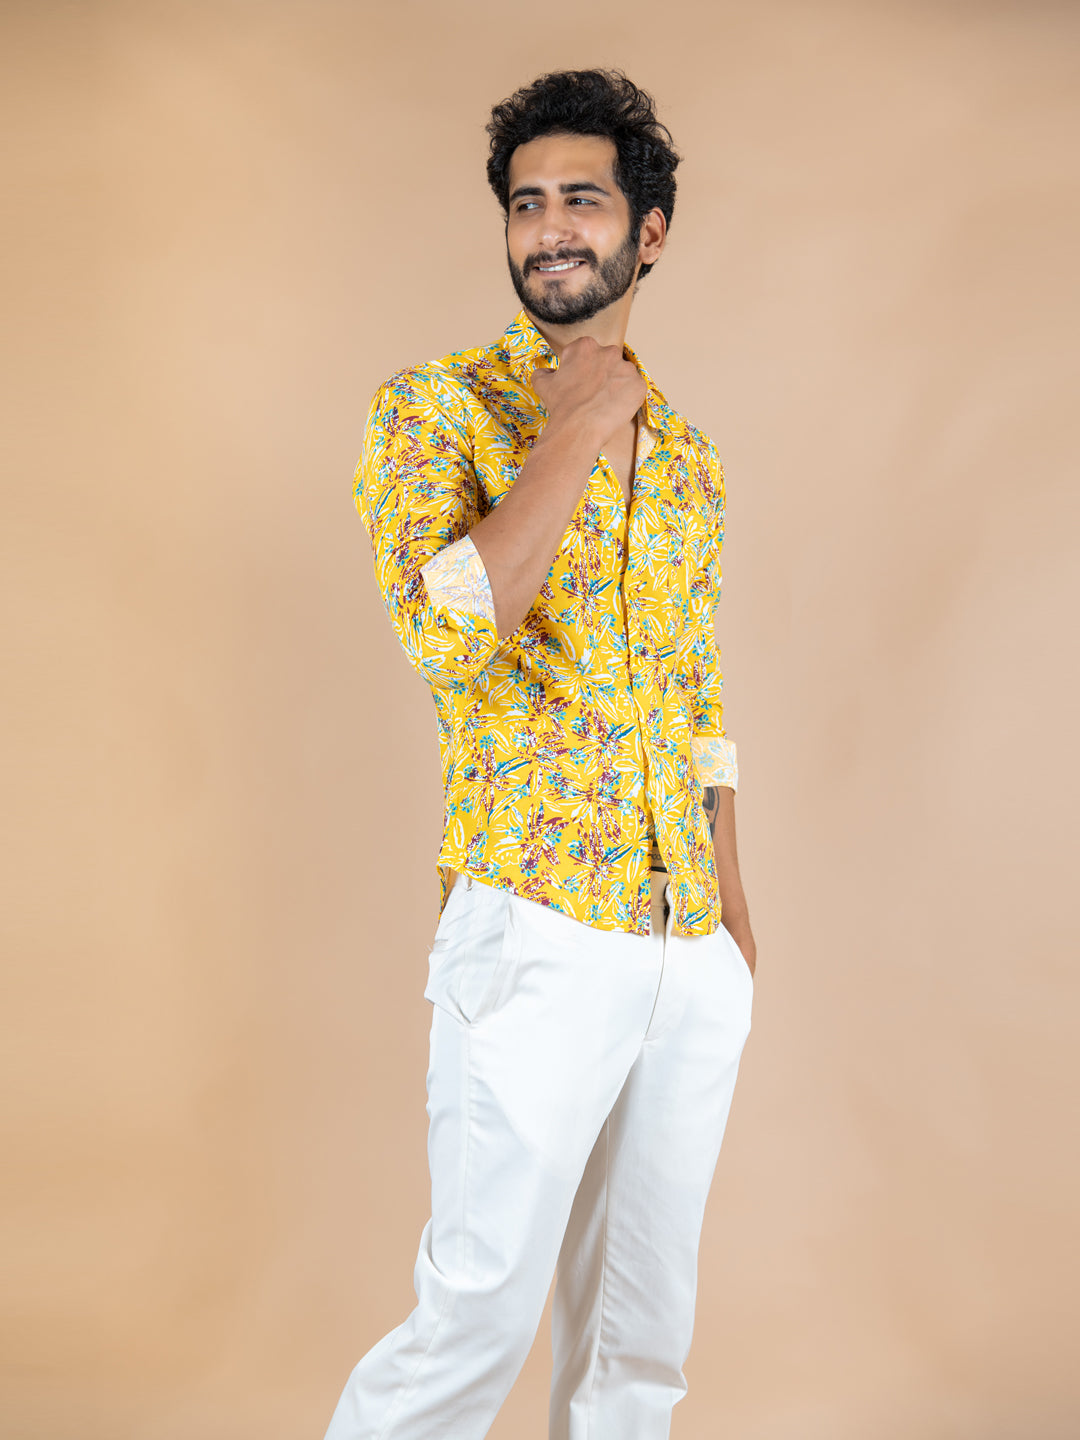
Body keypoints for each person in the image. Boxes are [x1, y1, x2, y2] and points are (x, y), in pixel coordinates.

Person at [324, 67, 757, 1440]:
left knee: (641, 1344)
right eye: (526, 205)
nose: (551, 228)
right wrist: (574, 430)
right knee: (475, 1317)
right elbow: (449, 636)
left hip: (685, 941)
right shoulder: (435, 409)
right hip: (533, 920)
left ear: (649, 229)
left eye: (583, 199)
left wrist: (732, 920)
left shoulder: (691, 464)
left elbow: (693, 690)